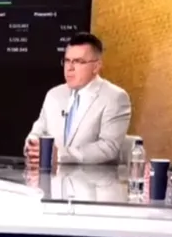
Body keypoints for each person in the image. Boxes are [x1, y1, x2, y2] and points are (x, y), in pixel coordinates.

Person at [24, 33, 132, 166]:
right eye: (67, 60)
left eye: (78, 61)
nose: (70, 68)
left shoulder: (115, 97)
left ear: (96, 66)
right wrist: (32, 146)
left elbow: (109, 148)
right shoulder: (54, 94)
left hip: (92, 178)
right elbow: (37, 131)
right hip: (51, 175)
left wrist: (60, 155)